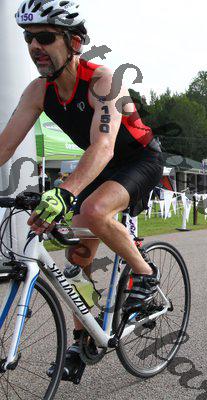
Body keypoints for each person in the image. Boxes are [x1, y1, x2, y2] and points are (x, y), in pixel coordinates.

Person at [1, 0, 164, 382]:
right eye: (28, 38)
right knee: (77, 257)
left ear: (74, 42)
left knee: (91, 211)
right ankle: (82, 339)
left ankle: (145, 274)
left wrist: (65, 192)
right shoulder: (38, 91)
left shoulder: (102, 81)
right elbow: (5, 146)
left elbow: (103, 146)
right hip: (99, 166)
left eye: (45, 37)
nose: (34, 46)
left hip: (139, 159)